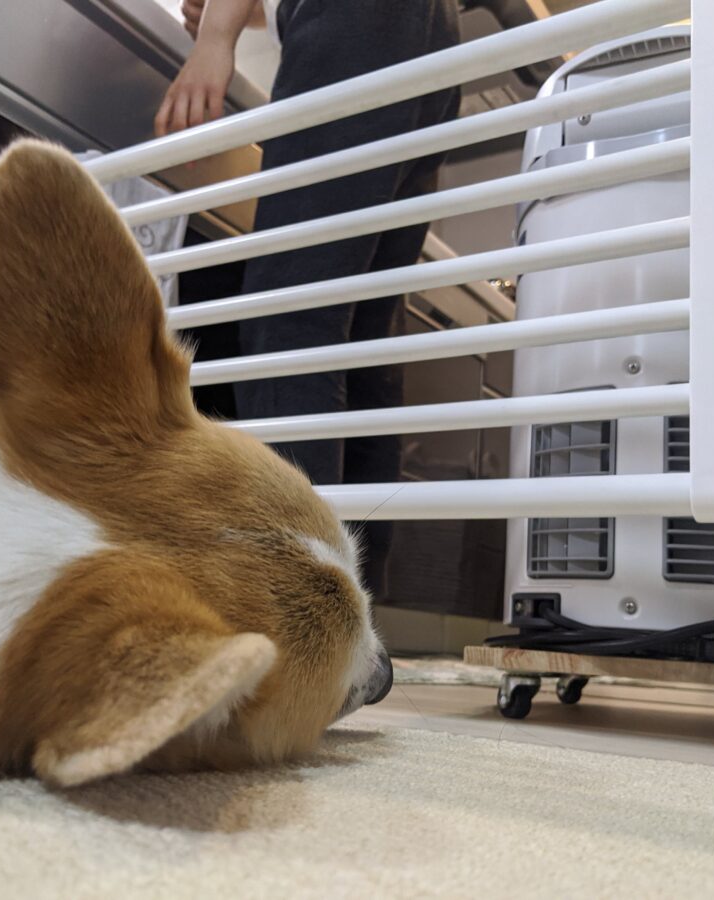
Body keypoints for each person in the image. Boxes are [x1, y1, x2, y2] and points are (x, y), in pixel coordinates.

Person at [158, 0, 461, 596]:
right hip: (432, 38)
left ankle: (297, 604)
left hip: (355, 22)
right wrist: (239, 18)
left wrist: (214, 39)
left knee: (288, 319)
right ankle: (354, 615)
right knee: (361, 346)